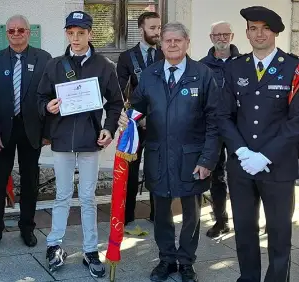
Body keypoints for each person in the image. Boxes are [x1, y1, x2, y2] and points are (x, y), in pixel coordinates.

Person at [118, 22, 220, 282]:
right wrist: (126, 119)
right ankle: (166, 259)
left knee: (191, 214)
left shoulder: (202, 74)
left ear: (187, 43)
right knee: (161, 212)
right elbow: (138, 107)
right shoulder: (151, 74)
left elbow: (215, 120)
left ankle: (186, 261)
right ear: (160, 44)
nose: (172, 45)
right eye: (167, 41)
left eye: (177, 40)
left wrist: (208, 159)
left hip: (192, 158)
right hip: (158, 155)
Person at [37, 11, 123, 278]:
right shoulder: (54, 65)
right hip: (62, 139)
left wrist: (109, 129)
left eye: (81, 33)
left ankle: (90, 250)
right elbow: (40, 98)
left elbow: (115, 102)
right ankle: (54, 244)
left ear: (90, 34)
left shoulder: (104, 66)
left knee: (87, 197)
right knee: (62, 194)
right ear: (66, 34)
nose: (75, 38)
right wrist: (47, 107)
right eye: (71, 33)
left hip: (90, 139)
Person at [217, 6, 299, 282]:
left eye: (265, 28)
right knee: (244, 229)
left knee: (279, 232)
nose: (258, 33)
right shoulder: (235, 67)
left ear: (275, 31)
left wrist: (264, 156)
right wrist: (241, 152)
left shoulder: (293, 67)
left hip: (278, 166)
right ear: (247, 33)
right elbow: (224, 115)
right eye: (253, 28)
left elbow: (296, 121)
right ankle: (248, 278)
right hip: (242, 166)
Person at [0, 14, 52, 246]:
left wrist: (47, 133)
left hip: (32, 130)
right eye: (11, 31)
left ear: (28, 33)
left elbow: (52, 97)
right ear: (6, 34)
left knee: (30, 181)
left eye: (20, 30)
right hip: (3, 131)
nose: (16, 34)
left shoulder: (44, 59)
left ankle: (27, 227)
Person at [116, 11, 163, 225]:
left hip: (161, 122)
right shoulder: (127, 57)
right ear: (141, 29)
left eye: (159, 28)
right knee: (131, 172)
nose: (157, 32)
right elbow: (121, 92)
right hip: (135, 123)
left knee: (157, 168)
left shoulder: (165, 53)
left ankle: (157, 214)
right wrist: (138, 116)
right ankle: (128, 216)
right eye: (152, 28)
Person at [199, 21, 240, 239]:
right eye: (217, 35)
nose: (222, 38)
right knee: (215, 177)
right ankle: (220, 220)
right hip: (212, 128)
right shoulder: (201, 66)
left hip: (238, 128)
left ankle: (244, 220)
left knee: (240, 176)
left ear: (232, 36)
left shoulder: (245, 63)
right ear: (211, 37)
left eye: (226, 34)